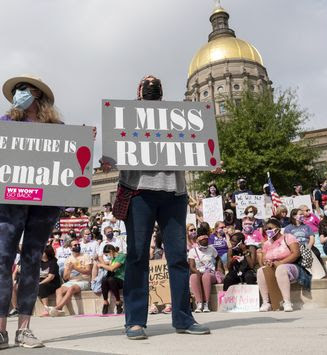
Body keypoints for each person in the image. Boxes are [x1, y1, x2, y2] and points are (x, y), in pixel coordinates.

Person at [101, 75, 214, 340]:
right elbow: (117, 150)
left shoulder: (178, 117)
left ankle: (183, 318)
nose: (152, 84)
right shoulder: (125, 118)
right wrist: (108, 160)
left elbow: (198, 146)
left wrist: (210, 159)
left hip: (174, 194)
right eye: (147, 82)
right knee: (138, 256)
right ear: (139, 92)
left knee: (177, 258)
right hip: (139, 194)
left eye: (156, 82)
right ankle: (135, 321)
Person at [0, 74, 76, 352]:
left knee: (32, 259)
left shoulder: (58, 128)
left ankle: (24, 329)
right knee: (1, 258)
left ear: (38, 95)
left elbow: (71, 162)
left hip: (44, 203)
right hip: (9, 202)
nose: (20, 93)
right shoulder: (6, 124)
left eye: (25, 89)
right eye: (17, 90)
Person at [256, 219, 300, 312]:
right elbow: (264, 259)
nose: (268, 230)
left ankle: (287, 302)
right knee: (261, 271)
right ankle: (266, 302)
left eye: (270, 228)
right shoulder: (267, 243)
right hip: (273, 267)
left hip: (290, 266)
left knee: (281, 269)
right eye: (266, 229)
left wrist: (280, 263)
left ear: (278, 228)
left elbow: (295, 253)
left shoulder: (288, 237)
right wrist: (268, 262)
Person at [49, 240, 92, 317]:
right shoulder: (68, 259)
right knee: (58, 290)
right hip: (72, 281)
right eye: (75, 245)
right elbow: (65, 277)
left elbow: (88, 271)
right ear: (70, 247)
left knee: (71, 288)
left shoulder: (86, 256)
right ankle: (59, 311)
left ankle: (58, 308)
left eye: (78, 244)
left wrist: (75, 267)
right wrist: (69, 270)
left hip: (84, 281)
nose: (77, 246)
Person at [188, 229, 224, 313]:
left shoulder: (211, 249)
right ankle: (199, 303)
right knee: (193, 276)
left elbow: (218, 259)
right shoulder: (193, 251)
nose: (205, 241)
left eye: (206, 240)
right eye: (203, 240)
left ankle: (206, 303)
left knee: (206, 276)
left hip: (210, 273)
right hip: (199, 272)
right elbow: (191, 266)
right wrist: (197, 272)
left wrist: (219, 268)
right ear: (198, 241)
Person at [97, 244, 126, 315]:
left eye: (107, 255)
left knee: (110, 280)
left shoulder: (121, 256)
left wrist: (102, 265)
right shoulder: (112, 258)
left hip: (122, 279)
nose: (107, 257)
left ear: (111, 251)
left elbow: (112, 268)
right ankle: (105, 301)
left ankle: (118, 302)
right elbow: (108, 264)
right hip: (114, 279)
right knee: (104, 280)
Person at [37, 246, 60, 317]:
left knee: (41, 287)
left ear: (47, 253)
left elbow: (50, 277)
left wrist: (39, 283)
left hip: (52, 283)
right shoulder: (38, 262)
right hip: (41, 281)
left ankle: (46, 309)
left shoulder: (53, 262)